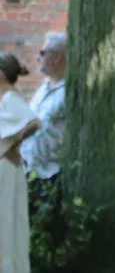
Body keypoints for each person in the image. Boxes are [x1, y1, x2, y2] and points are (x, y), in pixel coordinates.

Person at [0, 53, 41, 273]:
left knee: (6, 236)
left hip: (6, 176)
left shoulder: (11, 100)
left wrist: (12, 144)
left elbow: (34, 121)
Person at [20, 32, 67, 213]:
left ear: (56, 58)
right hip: (28, 172)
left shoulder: (69, 92)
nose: (37, 57)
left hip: (49, 176)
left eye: (42, 53)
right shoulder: (44, 87)